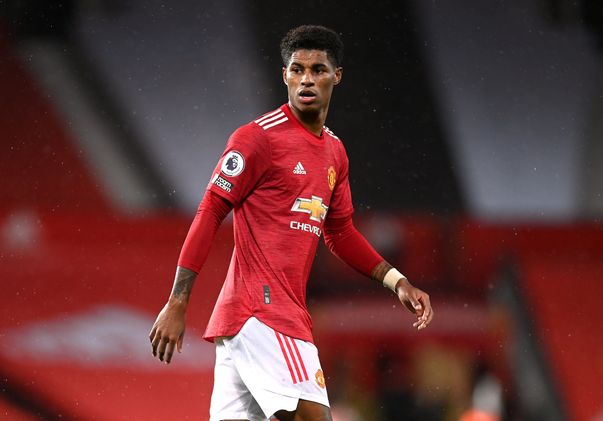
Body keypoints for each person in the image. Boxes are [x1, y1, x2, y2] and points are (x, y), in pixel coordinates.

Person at [149, 25, 434, 421]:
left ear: (337, 76)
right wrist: (178, 301)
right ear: (284, 75)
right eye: (297, 69)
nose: (306, 79)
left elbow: (340, 232)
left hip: (251, 324)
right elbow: (211, 208)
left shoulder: (335, 153)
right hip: (264, 313)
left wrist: (397, 281)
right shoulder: (258, 139)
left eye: (318, 69)